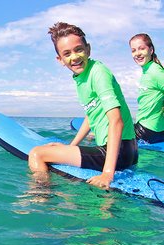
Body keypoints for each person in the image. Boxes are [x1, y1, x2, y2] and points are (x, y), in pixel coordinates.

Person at [28, 22, 138, 189]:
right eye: (67, 53)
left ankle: (41, 196)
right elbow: (91, 114)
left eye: (78, 49)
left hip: (118, 153)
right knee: (48, 150)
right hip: (124, 151)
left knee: (37, 154)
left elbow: (116, 121)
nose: (75, 57)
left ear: (88, 49)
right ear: (60, 59)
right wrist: (71, 146)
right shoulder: (82, 77)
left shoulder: (98, 72)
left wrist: (108, 173)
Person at [129, 33, 164, 144]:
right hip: (153, 130)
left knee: (104, 136)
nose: (137, 53)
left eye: (142, 48)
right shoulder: (148, 70)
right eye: (133, 50)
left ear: (151, 50)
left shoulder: (155, 71)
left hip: (146, 131)